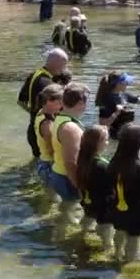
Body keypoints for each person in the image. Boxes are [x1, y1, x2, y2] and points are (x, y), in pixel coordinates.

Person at [109, 124, 140, 261]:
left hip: (116, 208)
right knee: (133, 239)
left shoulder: (113, 162)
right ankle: (130, 261)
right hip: (136, 212)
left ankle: (117, 254)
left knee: (119, 231)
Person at [48, 82, 90, 224]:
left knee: (67, 207)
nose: (86, 106)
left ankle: (61, 225)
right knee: (69, 210)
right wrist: (78, 184)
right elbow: (70, 162)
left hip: (58, 172)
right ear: (80, 103)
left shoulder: (59, 118)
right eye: (85, 102)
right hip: (66, 177)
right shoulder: (70, 128)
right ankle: (61, 237)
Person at [18, 48, 68, 158]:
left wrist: (35, 115)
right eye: (63, 65)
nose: (64, 69)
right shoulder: (47, 84)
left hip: (33, 130)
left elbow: (20, 101)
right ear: (55, 63)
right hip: (43, 134)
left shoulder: (35, 74)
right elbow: (57, 111)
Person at [77, 125, 115, 250]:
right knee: (106, 233)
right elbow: (112, 186)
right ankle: (107, 250)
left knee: (87, 220)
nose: (108, 142)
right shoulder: (102, 166)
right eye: (105, 140)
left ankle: (81, 236)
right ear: (96, 144)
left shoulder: (82, 159)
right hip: (103, 207)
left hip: (88, 202)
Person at [34, 84, 64, 186]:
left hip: (42, 161)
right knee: (53, 199)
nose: (62, 106)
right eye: (59, 103)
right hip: (49, 166)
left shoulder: (40, 113)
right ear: (48, 101)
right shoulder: (47, 124)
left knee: (49, 198)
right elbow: (51, 150)